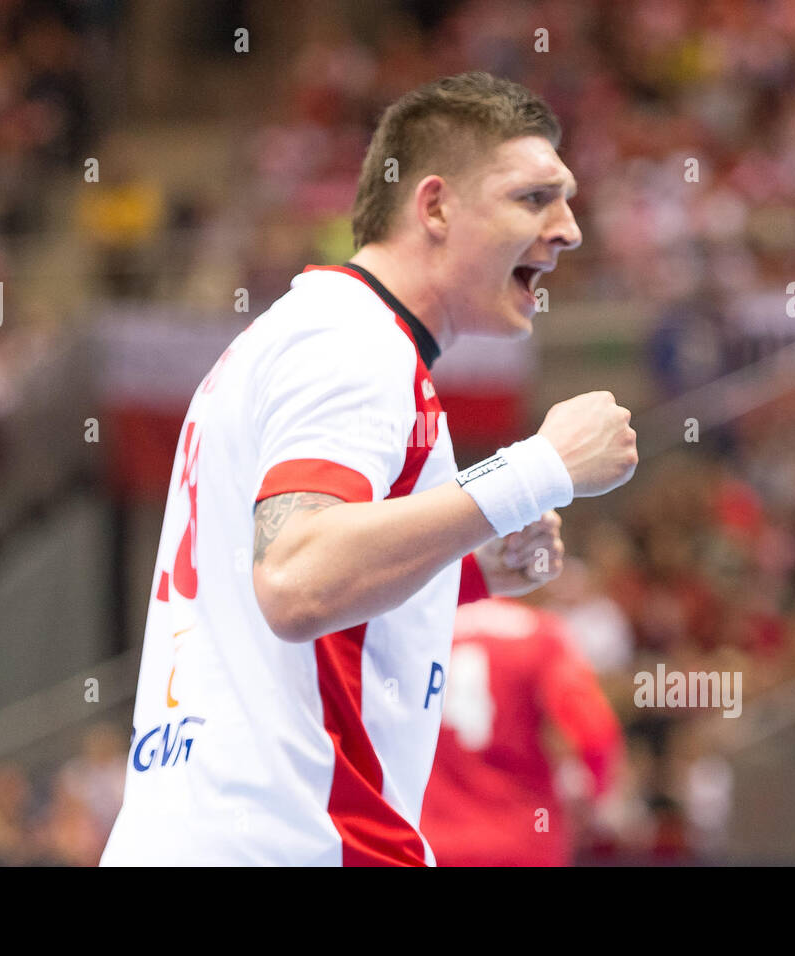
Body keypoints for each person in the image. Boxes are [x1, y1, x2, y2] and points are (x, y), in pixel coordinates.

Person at [101, 71, 638, 866]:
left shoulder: (314, 333)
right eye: (533, 199)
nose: (568, 230)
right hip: (293, 844)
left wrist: (465, 570)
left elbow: (276, 591)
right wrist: (540, 468)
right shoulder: (356, 342)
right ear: (435, 206)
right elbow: (296, 579)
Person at [420, 597, 622, 866]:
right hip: (521, 841)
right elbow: (594, 731)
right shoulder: (541, 634)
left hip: (431, 841)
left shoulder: (424, 632)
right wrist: (592, 797)